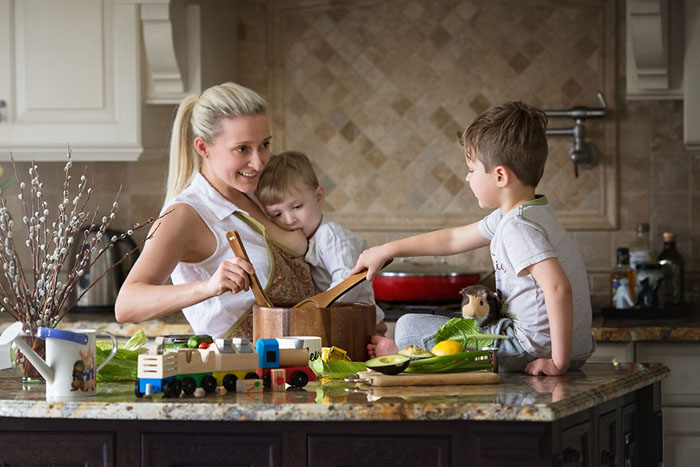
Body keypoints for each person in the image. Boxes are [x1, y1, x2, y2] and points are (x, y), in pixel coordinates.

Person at [352, 101, 594, 376]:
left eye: (472, 169)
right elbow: (453, 239)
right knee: (451, 324)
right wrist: (386, 250)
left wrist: (558, 362)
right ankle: (410, 350)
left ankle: (405, 352)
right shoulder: (526, 213)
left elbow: (558, 288)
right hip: (563, 348)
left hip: (529, 349)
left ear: (500, 176)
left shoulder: (518, 227)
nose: (468, 179)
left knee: (409, 326)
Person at [115, 82, 315, 338]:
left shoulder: (258, 193)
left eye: (264, 144)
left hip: (298, 368)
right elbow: (127, 304)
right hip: (238, 372)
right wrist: (209, 287)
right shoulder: (186, 214)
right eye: (242, 149)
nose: (258, 161)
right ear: (203, 147)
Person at [255, 151, 387, 334]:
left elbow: (347, 283)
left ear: (318, 197)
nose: (289, 219)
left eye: (297, 207)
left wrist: (314, 314)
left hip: (361, 325)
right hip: (342, 323)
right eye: (277, 214)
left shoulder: (330, 236)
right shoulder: (306, 238)